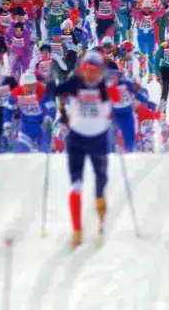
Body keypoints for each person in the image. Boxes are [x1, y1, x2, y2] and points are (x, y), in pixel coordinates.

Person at [53, 51, 117, 248]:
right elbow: (57, 91)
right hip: (77, 138)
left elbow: (114, 98)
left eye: (94, 71)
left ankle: (101, 213)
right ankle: (77, 230)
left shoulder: (103, 86)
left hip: (98, 138)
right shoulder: (77, 82)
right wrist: (50, 88)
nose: (90, 74)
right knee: (76, 184)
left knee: (101, 180)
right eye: (86, 70)